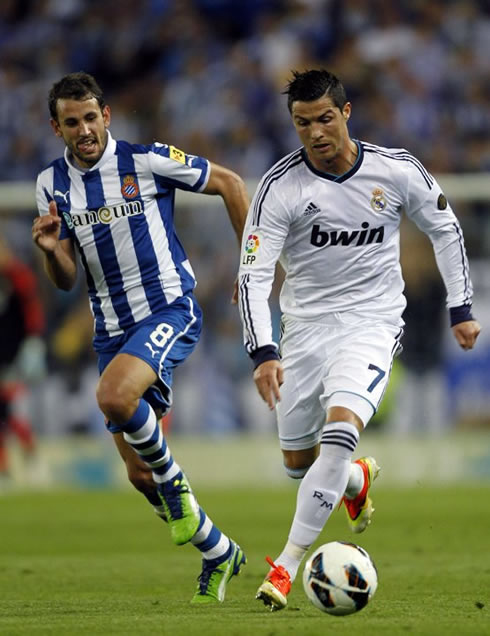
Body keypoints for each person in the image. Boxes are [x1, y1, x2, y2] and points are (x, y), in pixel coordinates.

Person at [237, 69, 481, 611]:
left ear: (346, 113)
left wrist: (459, 306)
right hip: (303, 332)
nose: (316, 133)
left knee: (341, 431)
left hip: (372, 324)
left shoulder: (396, 170)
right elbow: (252, 275)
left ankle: (286, 565)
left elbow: (445, 228)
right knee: (300, 465)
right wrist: (264, 351)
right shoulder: (280, 188)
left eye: (325, 119)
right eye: (303, 124)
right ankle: (353, 480)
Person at [32, 72, 250, 603]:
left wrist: (252, 272)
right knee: (136, 474)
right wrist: (50, 251)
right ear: (56, 127)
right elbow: (66, 279)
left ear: (106, 116)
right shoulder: (49, 185)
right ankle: (219, 551)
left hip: (168, 308)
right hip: (110, 327)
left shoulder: (147, 161)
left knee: (111, 395)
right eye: (71, 122)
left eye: (90, 117)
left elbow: (231, 183)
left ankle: (176, 485)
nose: (83, 129)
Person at [0, 236, 45, 483]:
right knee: (5, 412)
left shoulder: (18, 277)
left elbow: (32, 313)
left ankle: (26, 456)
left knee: (7, 409)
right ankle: (15, 463)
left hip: (13, 355)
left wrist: (33, 343)